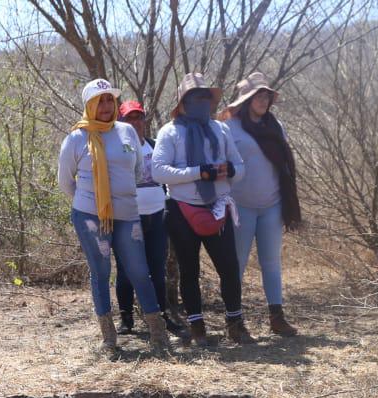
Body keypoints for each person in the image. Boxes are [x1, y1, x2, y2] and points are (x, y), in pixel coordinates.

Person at [57, 79, 170, 356]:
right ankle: (109, 339)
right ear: (89, 105)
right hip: (90, 217)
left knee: (139, 271)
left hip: (127, 215)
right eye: (100, 101)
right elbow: (64, 181)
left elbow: (134, 172)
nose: (106, 106)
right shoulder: (77, 137)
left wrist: (118, 198)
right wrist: (91, 203)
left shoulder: (127, 133)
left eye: (109, 100)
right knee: (101, 272)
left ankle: (158, 334)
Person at [151, 72, 252, 348]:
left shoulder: (221, 130)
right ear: (183, 102)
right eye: (195, 98)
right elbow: (158, 171)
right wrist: (199, 172)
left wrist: (229, 170)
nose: (202, 102)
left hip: (218, 205)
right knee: (189, 270)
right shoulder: (170, 132)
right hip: (182, 208)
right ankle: (197, 327)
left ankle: (236, 324)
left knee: (229, 268)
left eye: (205, 97)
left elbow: (240, 167)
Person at [223, 72, 301, 336]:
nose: (263, 100)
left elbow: (283, 163)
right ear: (246, 99)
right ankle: (234, 320)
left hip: (272, 204)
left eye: (266, 95)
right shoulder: (229, 127)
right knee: (238, 263)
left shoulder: (275, 126)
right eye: (258, 95)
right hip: (241, 206)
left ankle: (276, 317)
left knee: (271, 262)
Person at [114, 100, 187, 342]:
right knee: (126, 270)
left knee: (157, 269)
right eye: (129, 118)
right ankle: (126, 318)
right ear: (121, 122)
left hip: (157, 216)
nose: (135, 123)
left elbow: (167, 176)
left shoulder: (155, 146)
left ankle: (160, 316)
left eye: (139, 117)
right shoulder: (118, 148)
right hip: (127, 217)